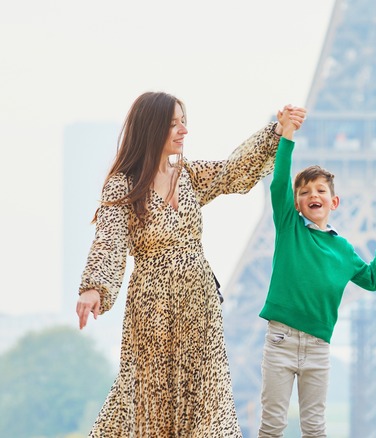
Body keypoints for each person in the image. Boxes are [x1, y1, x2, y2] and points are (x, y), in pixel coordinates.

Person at [75, 91, 306, 437]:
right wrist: (94, 287)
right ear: (151, 129)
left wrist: (275, 132)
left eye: (184, 122)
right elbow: (109, 240)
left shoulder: (188, 175)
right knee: (150, 396)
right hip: (152, 309)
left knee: (207, 395)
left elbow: (232, 173)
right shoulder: (123, 184)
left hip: (199, 303)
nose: (184, 131)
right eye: (173, 124)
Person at [257, 129, 376, 437]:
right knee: (271, 426)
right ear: (295, 203)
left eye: (320, 190)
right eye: (305, 191)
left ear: (334, 201)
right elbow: (280, 181)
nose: (313, 195)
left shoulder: (344, 250)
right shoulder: (290, 228)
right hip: (280, 340)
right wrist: (287, 136)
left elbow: (372, 279)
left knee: (315, 428)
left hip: (318, 347)